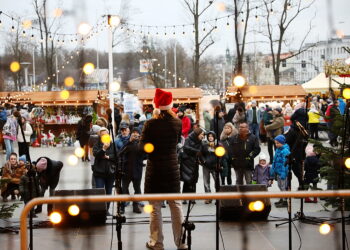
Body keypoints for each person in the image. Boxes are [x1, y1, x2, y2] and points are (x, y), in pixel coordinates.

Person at [140, 88, 187, 250]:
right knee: (176, 206)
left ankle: (156, 243)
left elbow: (143, 147)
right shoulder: (177, 123)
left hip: (155, 170)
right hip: (172, 168)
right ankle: (181, 243)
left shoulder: (150, 124)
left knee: (155, 208)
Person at [119, 127, 146, 214]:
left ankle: (135, 206)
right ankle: (122, 207)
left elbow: (146, 154)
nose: (135, 134)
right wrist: (129, 141)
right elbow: (120, 152)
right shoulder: (126, 141)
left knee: (137, 189)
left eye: (136, 133)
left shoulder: (142, 143)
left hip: (137, 170)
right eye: (133, 132)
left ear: (139, 134)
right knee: (124, 189)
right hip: (126, 170)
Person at [92, 127, 116, 214]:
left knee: (109, 192)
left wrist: (108, 157)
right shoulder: (97, 145)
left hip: (110, 173)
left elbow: (117, 156)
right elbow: (96, 155)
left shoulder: (113, 145)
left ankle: (107, 210)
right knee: (100, 192)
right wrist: (104, 149)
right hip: (99, 173)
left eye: (106, 134)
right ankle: (100, 210)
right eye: (102, 135)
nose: (104, 136)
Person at [180, 128, 204, 197]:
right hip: (187, 162)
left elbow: (201, 151)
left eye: (203, 135)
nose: (202, 136)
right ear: (197, 134)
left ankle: (192, 196)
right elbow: (186, 148)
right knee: (187, 179)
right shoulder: (188, 139)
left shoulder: (200, 141)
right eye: (201, 134)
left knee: (194, 179)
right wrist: (196, 151)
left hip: (195, 162)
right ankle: (185, 196)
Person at [270, 135, 290, 208]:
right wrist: (273, 170)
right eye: (275, 143)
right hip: (278, 172)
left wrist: (283, 173)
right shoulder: (278, 149)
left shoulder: (285, 151)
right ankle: (282, 198)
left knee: (283, 186)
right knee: (279, 186)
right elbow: (274, 161)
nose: (276, 144)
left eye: (278, 143)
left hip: (283, 173)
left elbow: (286, 164)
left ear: (282, 143)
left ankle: (285, 201)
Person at [200, 131, 217, 204]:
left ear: (214, 137)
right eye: (209, 136)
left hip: (215, 166)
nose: (210, 137)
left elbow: (221, 155)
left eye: (212, 136)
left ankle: (218, 197)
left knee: (217, 182)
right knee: (206, 182)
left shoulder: (217, 145)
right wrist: (204, 161)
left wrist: (218, 163)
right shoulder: (204, 145)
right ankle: (208, 197)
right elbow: (200, 154)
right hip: (206, 166)